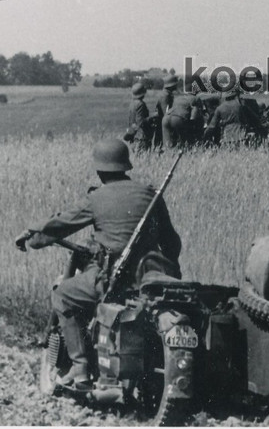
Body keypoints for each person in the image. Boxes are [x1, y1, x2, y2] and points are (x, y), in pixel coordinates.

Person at [14, 139, 182, 390]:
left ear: (100, 170)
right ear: (126, 166)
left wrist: (32, 233)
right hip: (150, 279)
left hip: (112, 279)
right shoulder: (150, 194)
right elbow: (171, 242)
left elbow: (63, 222)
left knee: (62, 295)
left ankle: (80, 367)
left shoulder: (97, 198)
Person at [123, 81, 153, 152]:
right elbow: (141, 122)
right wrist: (152, 117)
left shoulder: (132, 103)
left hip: (133, 135)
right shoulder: (141, 104)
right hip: (141, 137)